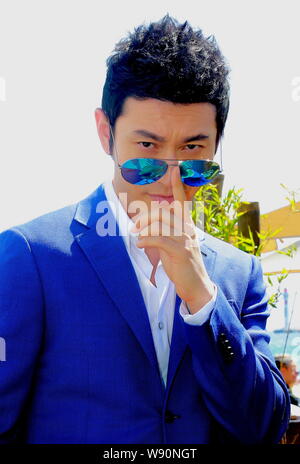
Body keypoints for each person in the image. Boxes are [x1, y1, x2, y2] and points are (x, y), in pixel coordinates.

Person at [0, 15, 290, 444]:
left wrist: (203, 298)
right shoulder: (31, 256)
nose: (168, 180)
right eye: (147, 149)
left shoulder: (237, 273)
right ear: (106, 133)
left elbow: (263, 426)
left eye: (193, 151)